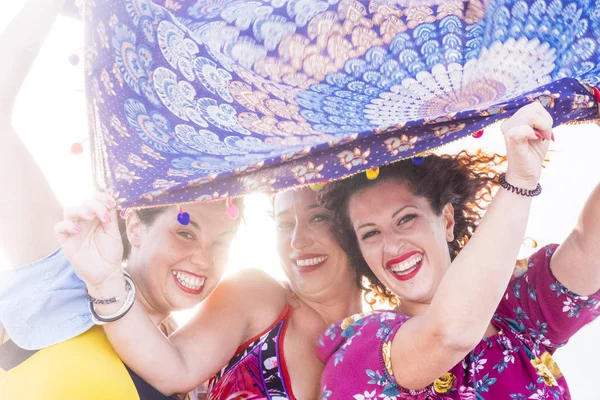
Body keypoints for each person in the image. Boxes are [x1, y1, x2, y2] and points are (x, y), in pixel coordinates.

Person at [0, 1, 241, 399]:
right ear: (134, 225)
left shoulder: (187, 374)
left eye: (223, 241)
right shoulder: (65, 277)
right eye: (185, 231)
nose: (204, 258)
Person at [316, 102, 600, 399]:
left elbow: (588, 244)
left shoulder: (513, 311)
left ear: (447, 220)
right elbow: (448, 335)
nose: (392, 244)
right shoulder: (360, 350)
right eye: (371, 233)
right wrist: (520, 180)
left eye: (406, 218)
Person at [57, 186, 363, 399]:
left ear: (352, 224)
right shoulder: (256, 294)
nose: (297, 241)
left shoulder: (389, 334)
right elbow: (174, 369)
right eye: (284, 224)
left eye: (318, 217)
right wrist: (106, 281)